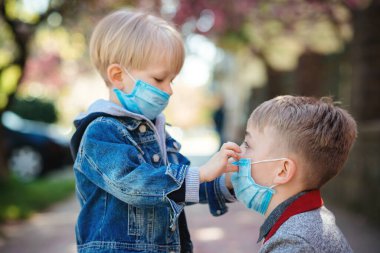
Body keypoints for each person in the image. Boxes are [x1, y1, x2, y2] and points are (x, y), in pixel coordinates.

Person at [69, 9, 240, 253]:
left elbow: (179, 189)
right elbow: (136, 185)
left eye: (172, 80)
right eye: (160, 79)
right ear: (117, 76)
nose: (169, 90)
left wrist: (228, 180)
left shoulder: (156, 129)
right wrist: (201, 173)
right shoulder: (100, 132)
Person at [229, 95, 356, 252]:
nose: (237, 152)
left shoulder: (293, 242)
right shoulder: (309, 221)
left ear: (283, 170)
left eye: (247, 145)